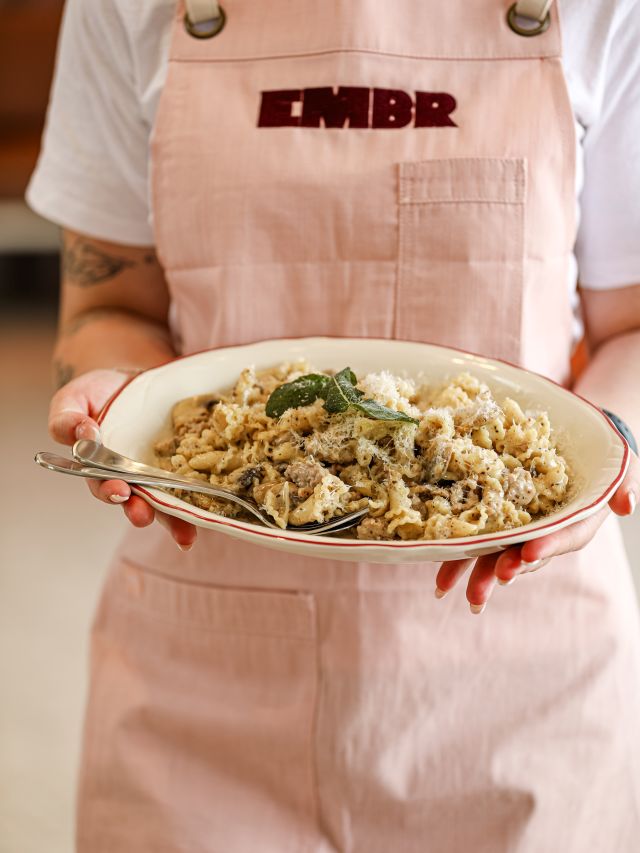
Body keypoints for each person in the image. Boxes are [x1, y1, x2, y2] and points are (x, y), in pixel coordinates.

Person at [29, 0, 640, 850]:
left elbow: (632, 328)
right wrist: (116, 398)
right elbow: (108, 303)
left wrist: (604, 450)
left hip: (523, 673)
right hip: (205, 664)